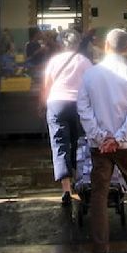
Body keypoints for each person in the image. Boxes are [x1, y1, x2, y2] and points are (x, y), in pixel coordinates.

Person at [77, 28, 127, 253]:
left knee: (98, 194)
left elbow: (83, 110)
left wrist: (101, 137)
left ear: (106, 47)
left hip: (100, 146)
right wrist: (119, 137)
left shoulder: (90, 76)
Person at [40, 30, 93, 206]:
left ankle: (66, 190)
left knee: (60, 144)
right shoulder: (85, 61)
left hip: (56, 104)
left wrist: (43, 104)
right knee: (80, 143)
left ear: (62, 44)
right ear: (78, 44)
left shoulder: (54, 61)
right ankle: (81, 182)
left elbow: (46, 86)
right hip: (78, 105)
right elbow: (92, 86)